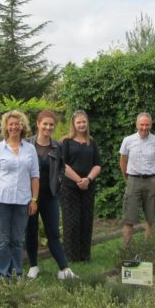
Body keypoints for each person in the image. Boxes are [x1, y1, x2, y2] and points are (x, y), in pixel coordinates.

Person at [25, 110, 78, 280]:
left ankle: (64, 269)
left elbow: (62, 168)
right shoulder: (27, 145)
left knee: (53, 233)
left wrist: (59, 183)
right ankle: (33, 266)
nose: (48, 127)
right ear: (38, 124)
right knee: (31, 231)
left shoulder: (57, 147)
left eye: (51, 124)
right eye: (45, 124)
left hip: (50, 196)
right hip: (29, 197)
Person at [0, 111, 39, 279]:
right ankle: (3, 274)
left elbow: (35, 176)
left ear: (22, 126)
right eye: (11, 124)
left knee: (17, 240)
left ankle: (18, 273)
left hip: (23, 201)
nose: (14, 126)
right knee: (3, 241)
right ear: (6, 127)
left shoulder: (30, 149)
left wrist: (34, 199)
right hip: (2, 201)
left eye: (17, 124)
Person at [60, 110, 102, 262]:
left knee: (86, 220)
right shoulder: (66, 142)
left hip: (88, 187)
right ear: (73, 124)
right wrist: (79, 180)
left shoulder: (92, 141)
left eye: (84, 122)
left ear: (87, 123)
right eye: (79, 122)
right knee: (71, 222)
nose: (82, 125)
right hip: (69, 188)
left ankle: (85, 255)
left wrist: (88, 180)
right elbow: (62, 164)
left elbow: (98, 165)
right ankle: (70, 256)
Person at [119, 112, 155, 248]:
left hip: (151, 182)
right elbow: (123, 160)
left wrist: (151, 174)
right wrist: (127, 177)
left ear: (151, 125)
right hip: (133, 181)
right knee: (129, 219)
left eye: (147, 125)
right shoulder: (128, 140)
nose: (144, 127)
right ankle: (126, 251)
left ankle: (148, 249)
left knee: (150, 219)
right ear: (136, 125)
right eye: (141, 124)